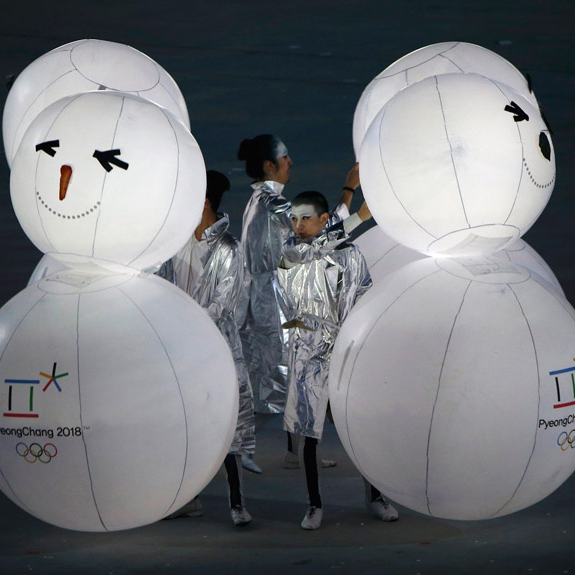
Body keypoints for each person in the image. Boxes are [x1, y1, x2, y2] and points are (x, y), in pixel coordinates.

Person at [277, 190, 399, 530]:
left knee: (361, 427)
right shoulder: (291, 252)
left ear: (323, 219)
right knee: (309, 433)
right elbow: (311, 251)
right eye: (294, 219)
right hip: (308, 354)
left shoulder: (350, 254)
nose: (298, 225)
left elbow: (365, 296)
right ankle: (313, 504)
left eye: (305, 218)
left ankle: (376, 495)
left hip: (347, 352)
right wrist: (359, 217)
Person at [236, 134, 358, 471]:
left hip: (270, 300)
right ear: (269, 165)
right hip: (274, 305)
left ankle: (294, 450)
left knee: (287, 375)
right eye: (285, 157)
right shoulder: (273, 205)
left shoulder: (260, 201)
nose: (291, 162)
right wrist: (349, 193)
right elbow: (321, 234)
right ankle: (241, 447)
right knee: (282, 378)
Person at [159, 170, 255, 526]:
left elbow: (223, 304)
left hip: (215, 350)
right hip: (180, 349)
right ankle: (188, 498)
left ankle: (237, 503)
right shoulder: (176, 244)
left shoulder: (228, 248)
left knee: (225, 426)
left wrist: (184, 320)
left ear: (202, 203)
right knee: (184, 425)